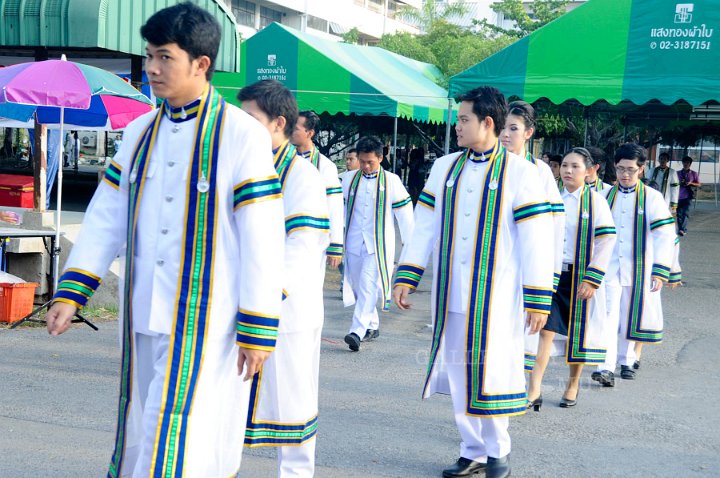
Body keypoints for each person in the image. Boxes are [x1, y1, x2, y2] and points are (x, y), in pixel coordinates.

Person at [45, 4, 286, 476]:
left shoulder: (241, 136)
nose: (152, 68)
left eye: (164, 58)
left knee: (183, 429)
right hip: (142, 309)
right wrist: (73, 293)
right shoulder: (138, 133)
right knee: (142, 419)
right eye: (149, 56)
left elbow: (263, 236)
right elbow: (106, 218)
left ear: (201, 63)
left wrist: (259, 325)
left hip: (208, 316)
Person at [393, 86, 554, 478]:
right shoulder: (445, 166)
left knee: (492, 371)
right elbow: (424, 224)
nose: (457, 126)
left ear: (487, 122)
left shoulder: (521, 173)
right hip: (450, 291)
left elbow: (538, 238)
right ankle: (471, 449)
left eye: (464, 119)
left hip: (497, 296)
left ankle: (498, 451)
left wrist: (538, 297)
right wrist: (407, 273)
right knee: (459, 370)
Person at [239, 80, 329, 477]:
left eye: (249, 120)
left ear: (278, 123)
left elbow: (304, 246)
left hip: (287, 311)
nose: (239, 128)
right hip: (236, 305)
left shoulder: (303, 178)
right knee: (224, 408)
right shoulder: (236, 167)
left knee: (292, 408)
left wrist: (266, 293)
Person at [526, 148, 616, 409]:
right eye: (564, 165)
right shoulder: (551, 198)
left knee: (579, 333)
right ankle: (534, 389)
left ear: (589, 171)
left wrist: (592, 278)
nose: (567, 171)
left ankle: (573, 383)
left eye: (575, 166)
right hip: (551, 275)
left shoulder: (596, 202)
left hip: (580, 277)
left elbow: (606, 240)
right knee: (545, 330)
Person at [592, 144, 675, 387]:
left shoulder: (652, 197)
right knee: (608, 315)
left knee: (631, 315)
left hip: (640, 268)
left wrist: (660, 270)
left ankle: (627, 360)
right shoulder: (604, 196)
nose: (625, 175)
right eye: (620, 169)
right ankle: (604, 366)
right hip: (609, 268)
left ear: (642, 169)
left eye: (630, 169)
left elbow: (664, 235)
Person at [500, 100, 565, 374]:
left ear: (528, 132)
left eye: (513, 128)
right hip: (495, 263)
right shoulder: (490, 165)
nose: (505, 134)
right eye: (502, 127)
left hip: (527, 266)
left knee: (522, 333)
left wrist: (548, 277)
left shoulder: (539, 172)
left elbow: (554, 227)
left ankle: (523, 390)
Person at [342, 135, 414, 351]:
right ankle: (372, 325)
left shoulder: (392, 181)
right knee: (356, 286)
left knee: (367, 285)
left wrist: (411, 248)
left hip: (378, 245)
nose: (365, 166)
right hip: (353, 241)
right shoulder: (348, 179)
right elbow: (338, 209)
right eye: (362, 161)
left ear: (381, 158)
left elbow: (405, 215)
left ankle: (357, 331)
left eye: (370, 162)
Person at [291, 111, 344, 266]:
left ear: (310, 133)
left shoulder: (325, 166)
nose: (290, 132)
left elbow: (334, 206)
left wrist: (335, 244)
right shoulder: (283, 160)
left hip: (313, 237)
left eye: (296, 129)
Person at [676, 155, 701, 236]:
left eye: (688, 162)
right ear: (682, 163)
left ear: (690, 163)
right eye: (684, 162)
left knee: (685, 213)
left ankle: (683, 229)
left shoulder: (694, 173)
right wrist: (679, 183)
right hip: (678, 196)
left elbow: (699, 184)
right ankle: (680, 228)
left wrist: (690, 183)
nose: (686, 164)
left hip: (688, 196)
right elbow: (673, 183)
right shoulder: (677, 173)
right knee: (678, 214)